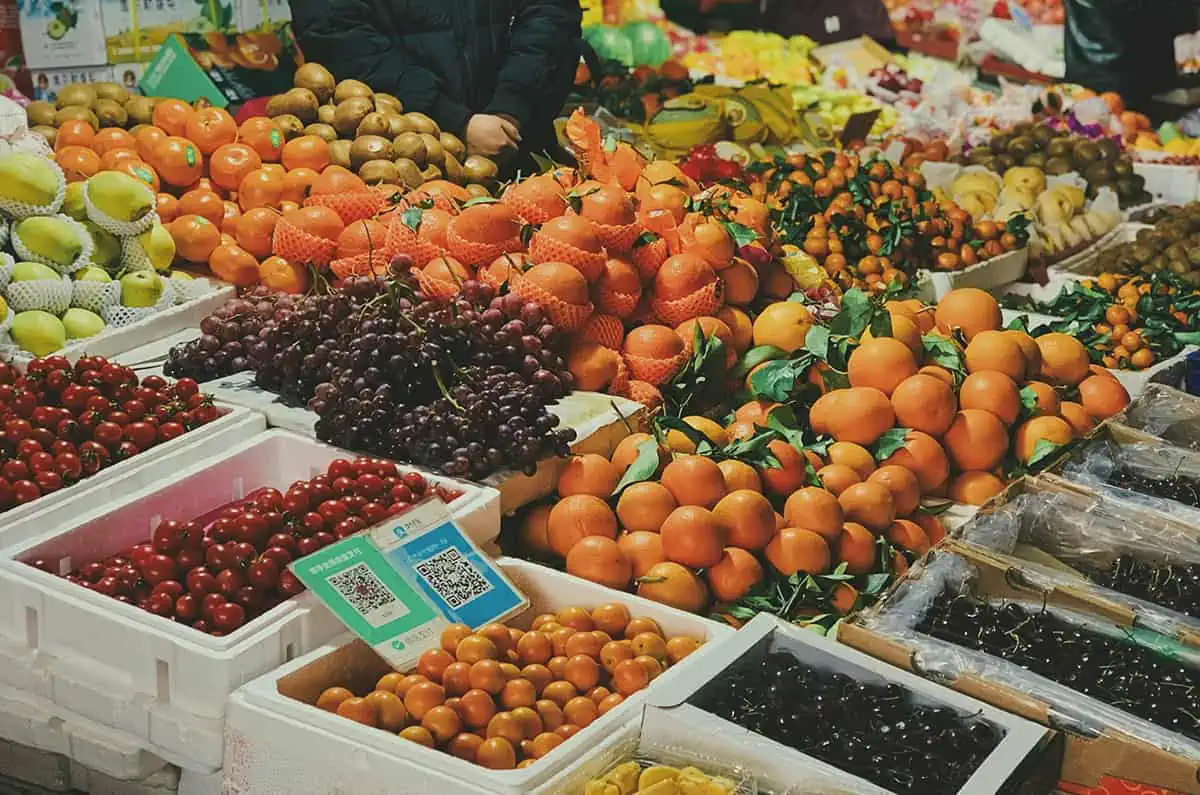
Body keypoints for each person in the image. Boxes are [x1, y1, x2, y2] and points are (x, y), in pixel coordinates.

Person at [291, 0, 583, 172]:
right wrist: (451, 119)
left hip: (520, 148)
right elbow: (338, 36)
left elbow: (551, 16)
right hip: (396, 164)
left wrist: (512, 105)